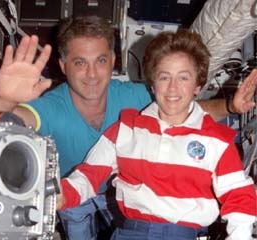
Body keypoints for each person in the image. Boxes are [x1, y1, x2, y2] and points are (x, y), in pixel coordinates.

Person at [0, 16, 257, 240]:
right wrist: (4, 98)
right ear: (63, 66)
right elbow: (0, 125)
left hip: (140, 210)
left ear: (112, 62)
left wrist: (230, 107)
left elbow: (182, 109)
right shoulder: (121, 124)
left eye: (100, 61)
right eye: (79, 62)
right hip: (92, 204)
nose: (91, 74)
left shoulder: (207, 136)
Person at [57, 29, 257, 240]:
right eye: (164, 77)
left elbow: (239, 196)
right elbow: (88, 176)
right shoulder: (125, 129)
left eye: (183, 78)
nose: (172, 88)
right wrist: (60, 196)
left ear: (198, 85)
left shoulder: (217, 140)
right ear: (152, 84)